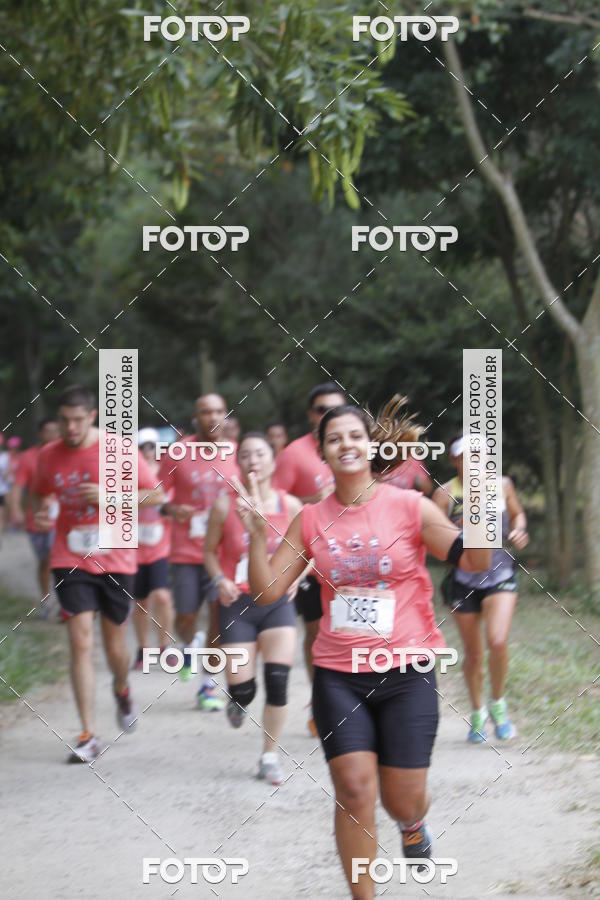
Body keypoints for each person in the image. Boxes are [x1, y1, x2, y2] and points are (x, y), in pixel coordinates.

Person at [235, 400, 491, 899]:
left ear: (371, 445)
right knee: (353, 790)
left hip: (406, 671)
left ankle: (412, 825)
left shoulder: (410, 507)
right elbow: (267, 592)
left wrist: (478, 495)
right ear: (322, 453)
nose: (346, 445)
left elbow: (476, 561)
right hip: (339, 673)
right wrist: (255, 538)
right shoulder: (311, 519)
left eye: (355, 436)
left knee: (403, 800)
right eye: (334, 439)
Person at [32, 385, 161, 763]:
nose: (70, 428)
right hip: (70, 557)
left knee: (115, 647)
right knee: (80, 641)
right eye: (64, 420)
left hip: (116, 558)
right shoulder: (48, 455)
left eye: (77, 420)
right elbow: (40, 492)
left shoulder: (119, 449)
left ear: (92, 416)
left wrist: (111, 497)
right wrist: (43, 511)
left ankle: (121, 688)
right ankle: (88, 734)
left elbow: (156, 495)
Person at [204, 433, 300, 784]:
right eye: (245, 455)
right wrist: (220, 580)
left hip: (276, 603)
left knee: (278, 681)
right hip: (238, 604)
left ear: (274, 461)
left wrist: (295, 578)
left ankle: (269, 756)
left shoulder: (290, 505)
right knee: (244, 689)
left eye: (260, 454)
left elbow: (306, 550)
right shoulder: (223, 505)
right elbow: (209, 552)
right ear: (238, 463)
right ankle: (238, 700)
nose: (252, 461)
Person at [433, 435, 529, 743]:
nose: (475, 461)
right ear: (454, 460)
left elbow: (517, 514)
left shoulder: (502, 485)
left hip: (500, 575)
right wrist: (458, 539)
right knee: (474, 655)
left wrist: (519, 529)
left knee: (497, 641)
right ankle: (477, 712)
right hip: (463, 581)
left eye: (481, 454)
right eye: (467, 455)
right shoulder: (445, 494)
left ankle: (498, 705)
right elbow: (433, 538)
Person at [158, 393, 240, 711]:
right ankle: (190, 643)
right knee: (185, 617)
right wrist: (170, 508)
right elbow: (155, 495)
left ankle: (208, 685)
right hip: (186, 552)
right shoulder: (177, 453)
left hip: (223, 554)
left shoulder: (236, 453)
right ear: (196, 417)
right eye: (206, 412)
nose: (213, 417)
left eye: (219, 411)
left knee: (220, 620)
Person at [273, 382, 345, 733]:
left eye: (335, 408)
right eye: (321, 409)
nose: (327, 414)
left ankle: (351, 701)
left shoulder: (356, 446)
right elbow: (275, 503)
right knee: (316, 634)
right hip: (310, 561)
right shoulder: (293, 454)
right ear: (310, 415)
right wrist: (314, 503)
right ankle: (320, 702)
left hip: (352, 559)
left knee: (350, 631)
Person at [132, 428, 175, 668]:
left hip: (161, 547)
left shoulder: (166, 476)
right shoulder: (127, 475)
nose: (148, 451)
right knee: (141, 602)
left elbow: (171, 506)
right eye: (143, 447)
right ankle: (142, 650)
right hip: (135, 550)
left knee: (163, 597)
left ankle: (165, 646)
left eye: (152, 447)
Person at [8, 418, 60, 617]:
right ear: (40, 434)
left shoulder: (65, 453)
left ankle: (67, 603)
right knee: (45, 562)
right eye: (48, 431)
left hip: (62, 520)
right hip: (37, 520)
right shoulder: (28, 457)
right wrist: (15, 509)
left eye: (56, 430)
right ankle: (46, 599)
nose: (52, 435)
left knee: (60, 561)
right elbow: (18, 486)